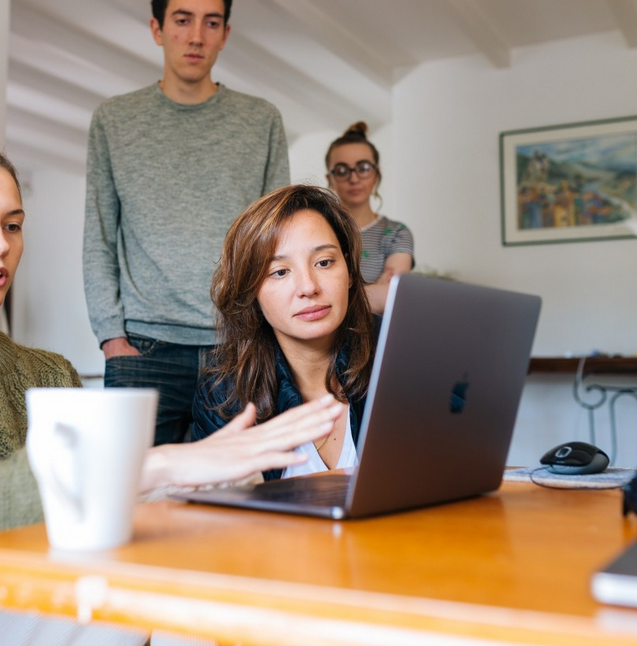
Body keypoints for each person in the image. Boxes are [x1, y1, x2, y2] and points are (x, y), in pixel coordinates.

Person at [0, 82, 341, 646]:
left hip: (36, 588)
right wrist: (151, 466)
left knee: (205, 550)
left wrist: (213, 479)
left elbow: (87, 525)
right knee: (125, 596)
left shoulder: (48, 372)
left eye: (12, 225)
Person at [83, 0, 290, 446]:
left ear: (225, 34)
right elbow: (98, 235)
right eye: (182, 19)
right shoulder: (114, 120)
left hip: (238, 346)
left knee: (233, 499)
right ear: (157, 29)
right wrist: (110, 337)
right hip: (141, 349)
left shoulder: (262, 121)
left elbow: (278, 240)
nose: (196, 35)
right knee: (133, 500)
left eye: (210, 22)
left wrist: (270, 333)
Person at [192, 185, 377, 481]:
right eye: (279, 272)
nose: (308, 287)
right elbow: (218, 519)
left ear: (350, 272)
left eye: (324, 262)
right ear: (251, 292)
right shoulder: (224, 393)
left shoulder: (398, 356)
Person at [325, 121, 413, 314]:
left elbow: (391, 296)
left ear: (376, 174)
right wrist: (372, 292)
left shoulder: (397, 233)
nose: (354, 178)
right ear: (329, 179)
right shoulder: (319, 230)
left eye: (363, 168)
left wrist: (327, 301)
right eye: (341, 170)